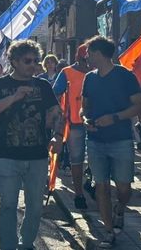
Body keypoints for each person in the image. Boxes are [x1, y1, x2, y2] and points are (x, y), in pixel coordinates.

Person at [0, 39, 64, 250]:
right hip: (7, 155)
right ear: (15, 61)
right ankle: (8, 245)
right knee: (8, 205)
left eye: (36, 61)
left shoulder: (43, 85)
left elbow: (56, 113)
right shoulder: (0, 84)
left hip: (37, 156)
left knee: (35, 207)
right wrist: (14, 97)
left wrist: (57, 136)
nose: (33, 65)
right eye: (28, 61)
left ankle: (26, 243)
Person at [80, 36, 141, 248]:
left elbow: (139, 106)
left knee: (124, 188)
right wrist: (84, 119)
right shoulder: (89, 78)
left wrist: (115, 117)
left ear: (99, 53)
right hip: (95, 140)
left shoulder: (125, 76)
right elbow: (84, 107)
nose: (86, 57)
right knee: (101, 187)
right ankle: (108, 231)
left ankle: (120, 208)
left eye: (89, 53)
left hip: (121, 139)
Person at [52, 44, 91, 210]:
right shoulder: (66, 73)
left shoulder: (98, 73)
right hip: (75, 124)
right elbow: (55, 94)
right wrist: (59, 115)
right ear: (78, 58)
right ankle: (79, 194)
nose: (88, 64)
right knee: (77, 160)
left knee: (97, 160)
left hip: (98, 124)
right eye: (85, 60)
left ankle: (91, 183)